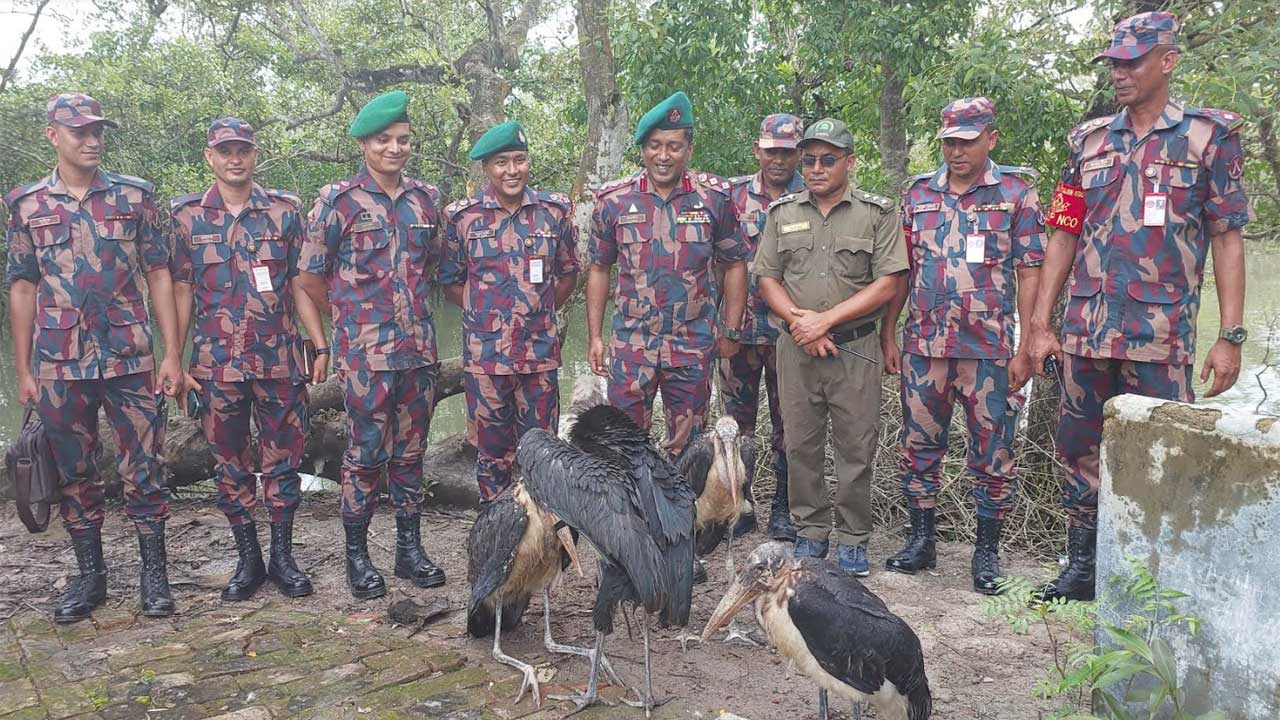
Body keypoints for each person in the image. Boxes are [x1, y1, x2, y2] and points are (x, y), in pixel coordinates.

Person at [1027, 11, 1251, 601]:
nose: (1120, 73)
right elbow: (1063, 232)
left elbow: (1227, 237)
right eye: (1114, 64)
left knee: (1164, 455)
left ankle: (1153, 579)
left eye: (1132, 62)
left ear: (1167, 61)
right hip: (1086, 330)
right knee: (1079, 450)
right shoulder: (1088, 141)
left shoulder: (1208, 137)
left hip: (1161, 335)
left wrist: (1230, 335)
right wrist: (1040, 324)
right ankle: (1083, 566)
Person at [5, 93, 183, 621]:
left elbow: (158, 274)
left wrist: (172, 354)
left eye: (97, 131)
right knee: (74, 472)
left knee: (145, 469)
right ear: (52, 136)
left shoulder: (135, 196)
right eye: (79, 131)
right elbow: (22, 287)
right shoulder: (27, 205)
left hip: (130, 356)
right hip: (60, 362)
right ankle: (91, 578)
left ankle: (155, 576)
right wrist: (24, 369)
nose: (91, 140)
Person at [884, 98, 1044, 594]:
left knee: (994, 453)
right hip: (925, 347)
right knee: (919, 447)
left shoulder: (1015, 193)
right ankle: (921, 540)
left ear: (990, 139)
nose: (956, 151)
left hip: (989, 352)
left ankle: (987, 552)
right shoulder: (918, 194)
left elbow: (1030, 272)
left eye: (967, 142)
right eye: (949, 142)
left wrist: (1027, 344)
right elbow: (901, 272)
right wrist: (889, 333)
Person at [295, 91, 448, 600]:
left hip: (418, 352)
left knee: (410, 455)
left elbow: (434, 267)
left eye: (402, 140)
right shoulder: (337, 201)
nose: (395, 148)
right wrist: (344, 326)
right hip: (365, 358)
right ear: (364, 144)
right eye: (384, 140)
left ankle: (409, 550)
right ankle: (357, 557)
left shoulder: (426, 199)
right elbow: (309, 278)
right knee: (363, 457)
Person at [170, 118, 327, 601]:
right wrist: (173, 360)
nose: (235, 159)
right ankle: (248, 559)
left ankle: (282, 557)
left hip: (279, 360)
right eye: (225, 151)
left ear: (255, 154)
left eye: (243, 150)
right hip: (216, 366)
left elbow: (300, 284)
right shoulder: (187, 217)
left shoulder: (285, 211)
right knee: (230, 465)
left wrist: (320, 344)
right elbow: (181, 291)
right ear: (210, 157)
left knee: (284, 463)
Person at [755, 118, 908, 575]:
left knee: (856, 446)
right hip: (797, 349)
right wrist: (801, 322)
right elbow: (768, 278)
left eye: (828, 160)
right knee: (800, 443)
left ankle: (854, 537)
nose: (817, 169)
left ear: (849, 162)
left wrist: (826, 321)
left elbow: (889, 282)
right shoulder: (782, 214)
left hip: (854, 350)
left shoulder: (877, 214)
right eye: (809, 161)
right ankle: (811, 530)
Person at [585, 91, 749, 459]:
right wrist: (595, 336)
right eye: (655, 146)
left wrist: (731, 329)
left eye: (674, 146)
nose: (663, 156)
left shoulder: (715, 198)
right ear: (643, 150)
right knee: (623, 447)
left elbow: (735, 263)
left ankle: (680, 499)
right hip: (631, 344)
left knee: (688, 450)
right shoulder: (613, 201)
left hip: (692, 344)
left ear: (689, 149)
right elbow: (599, 268)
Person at [441, 121, 580, 502]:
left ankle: (544, 525)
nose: (512, 170)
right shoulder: (462, 217)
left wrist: (537, 312)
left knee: (542, 452)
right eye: (502, 163)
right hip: (486, 360)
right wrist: (486, 314)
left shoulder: (554, 212)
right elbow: (451, 282)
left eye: (520, 160)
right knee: (491, 457)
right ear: (487, 168)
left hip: (539, 357)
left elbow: (568, 274)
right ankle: (496, 521)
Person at [723, 113, 806, 542]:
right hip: (737, 332)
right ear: (758, 150)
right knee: (736, 425)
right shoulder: (730, 196)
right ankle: (740, 503)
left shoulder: (812, 197)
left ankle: (783, 508)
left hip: (790, 333)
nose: (779, 159)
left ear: (799, 154)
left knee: (789, 422)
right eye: (772, 151)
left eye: (788, 152)